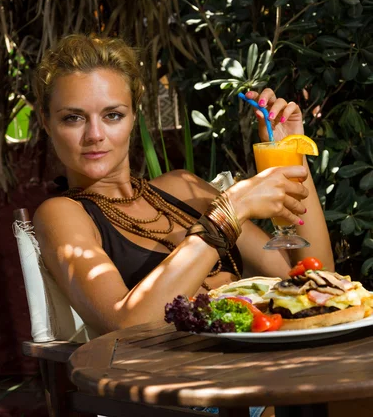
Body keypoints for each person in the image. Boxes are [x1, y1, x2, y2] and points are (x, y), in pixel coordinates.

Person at [33, 33, 334, 417]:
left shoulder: (183, 188)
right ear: (45, 122)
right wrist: (229, 211)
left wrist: (293, 154)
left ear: (132, 117)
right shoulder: (62, 213)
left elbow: (311, 278)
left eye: (112, 115)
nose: (95, 135)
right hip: (191, 397)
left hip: (265, 372)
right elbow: (124, 325)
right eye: (73, 118)